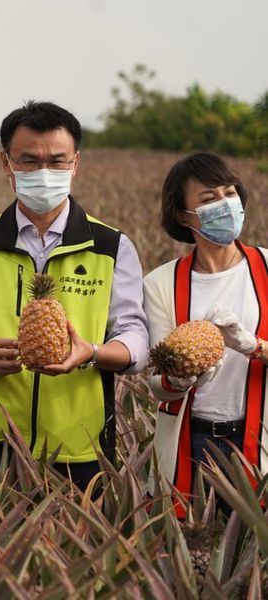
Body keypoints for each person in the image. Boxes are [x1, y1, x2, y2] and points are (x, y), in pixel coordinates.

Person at [0, 101, 149, 503]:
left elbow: (135, 338)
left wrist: (92, 353)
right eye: (29, 161)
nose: (43, 173)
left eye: (57, 161)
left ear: (76, 164)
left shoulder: (110, 246)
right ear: (6, 163)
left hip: (82, 446)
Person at [143, 152, 268, 517]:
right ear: (183, 215)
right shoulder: (161, 283)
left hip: (258, 438)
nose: (225, 204)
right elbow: (156, 383)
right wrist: (180, 378)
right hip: (193, 440)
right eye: (209, 199)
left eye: (229, 193)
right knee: (192, 549)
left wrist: (253, 346)